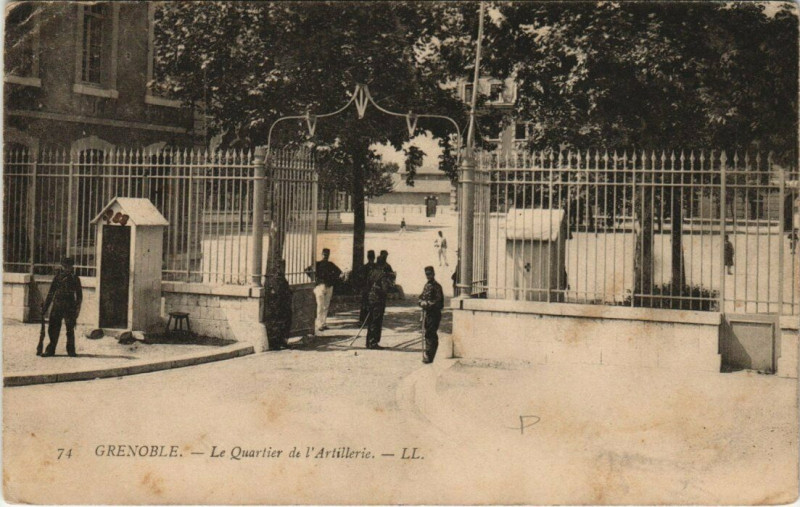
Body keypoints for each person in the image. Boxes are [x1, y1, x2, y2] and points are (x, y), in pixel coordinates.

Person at [41, 257, 82, 357]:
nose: (67, 268)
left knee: (70, 329)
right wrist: (45, 308)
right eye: (65, 266)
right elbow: (51, 293)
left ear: (72, 266)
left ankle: (71, 351)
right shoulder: (57, 277)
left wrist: (77, 309)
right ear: (62, 267)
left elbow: (79, 296)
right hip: (57, 306)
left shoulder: (75, 278)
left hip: (70, 307)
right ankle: (50, 350)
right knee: (53, 329)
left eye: (69, 266)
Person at [306, 248, 342, 332]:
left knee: (325, 306)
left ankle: (323, 323)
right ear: (322, 254)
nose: (326, 256)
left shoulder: (328, 264)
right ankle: (319, 324)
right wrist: (314, 279)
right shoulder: (318, 264)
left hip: (327, 286)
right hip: (321, 286)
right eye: (324, 254)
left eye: (327, 254)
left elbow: (339, 272)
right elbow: (307, 270)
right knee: (320, 306)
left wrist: (332, 279)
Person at [365, 252, 395, 349]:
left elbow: (368, 285)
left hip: (370, 299)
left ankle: (368, 342)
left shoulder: (372, 272)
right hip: (379, 300)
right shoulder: (383, 275)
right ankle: (373, 342)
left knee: (370, 320)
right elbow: (385, 289)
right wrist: (391, 285)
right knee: (376, 321)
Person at [264, 260, 292, 350]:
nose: (280, 270)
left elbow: (287, 292)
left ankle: (283, 341)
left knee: (285, 322)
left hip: (283, 305)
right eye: (279, 267)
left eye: (282, 267)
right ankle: (275, 343)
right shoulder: (271, 280)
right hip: (275, 306)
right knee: (276, 323)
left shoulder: (283, 279)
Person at [419, 266, 444, 364]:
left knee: (431, 334)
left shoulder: (437, 286)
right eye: (426, 274)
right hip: (427, 314)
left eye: (430, 274)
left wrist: (428, 304)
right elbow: (421, 297)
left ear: (434, 273)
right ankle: (429, 355)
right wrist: (421, 302)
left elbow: (439, 302)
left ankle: (430, 356)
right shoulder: (426, 285)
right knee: (428, 333)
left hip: (434, 314)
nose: (428, 276)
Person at [357, 250, 376, 325]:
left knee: (367, 304)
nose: (371, 259)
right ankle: (365, 320)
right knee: (367, 304)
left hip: (369, 288)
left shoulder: (365, 267)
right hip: (369, 288)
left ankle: (365, 320)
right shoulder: (367, 267)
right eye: (371, 257)